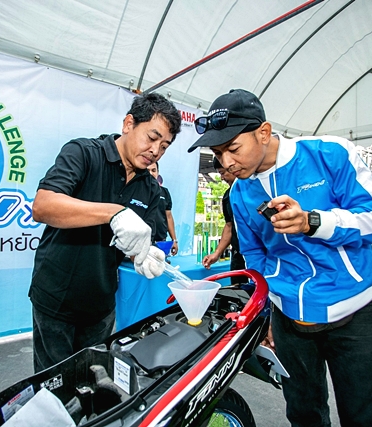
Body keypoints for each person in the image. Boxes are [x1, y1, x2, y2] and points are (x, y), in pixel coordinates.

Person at [188, 89, 372, 427]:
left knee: (366, 414)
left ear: (264, 133)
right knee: (303, 413)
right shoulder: (239, 192)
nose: (226, 163)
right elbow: (254, 255)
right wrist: (265, 312)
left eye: (233, 149)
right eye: (218, 153)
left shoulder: (329, 154)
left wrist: (314, 222)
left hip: (354, 312)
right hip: (288, 319)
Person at [29, 93, 181, 372]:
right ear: (128, 124)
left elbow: (135, 241)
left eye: (164, 146)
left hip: (101, 307)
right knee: (53, 385)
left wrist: (144, 255)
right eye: (152, 137)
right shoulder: (84, 153)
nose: (155, 151)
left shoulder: (150, 189)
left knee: (93, 382)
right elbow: (43, 206)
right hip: (56, 299)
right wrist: (113, 212)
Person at [202, 156, 247, 284]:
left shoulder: (252, 190)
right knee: (240, 291)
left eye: (223, 173)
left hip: (259, 255)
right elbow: (229, 226)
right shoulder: (228, 196)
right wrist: (217, 253)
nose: (222, 178)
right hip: (238, 255)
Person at [146, 161, 178, 256]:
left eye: (153, 170)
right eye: (147, 170)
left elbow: (168, 217)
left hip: (161, 242)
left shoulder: (164, 192)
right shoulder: (137, 191)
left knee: (161, 264)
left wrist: (174, 240)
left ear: (158, 173)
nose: (151, 173)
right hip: (142, 241)